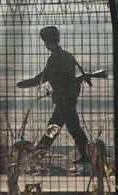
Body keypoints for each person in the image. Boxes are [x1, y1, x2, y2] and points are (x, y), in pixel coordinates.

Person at [16, 26, 90, 164]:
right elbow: (68, 78)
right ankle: (86, 155)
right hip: (69, 97)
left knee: (61, 127)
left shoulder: (54, 59)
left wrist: (23, 84)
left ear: (48, 42)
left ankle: (39, 154)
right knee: (65, 127)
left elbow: (41, 78)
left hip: (63, 99)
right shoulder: (68, 55)